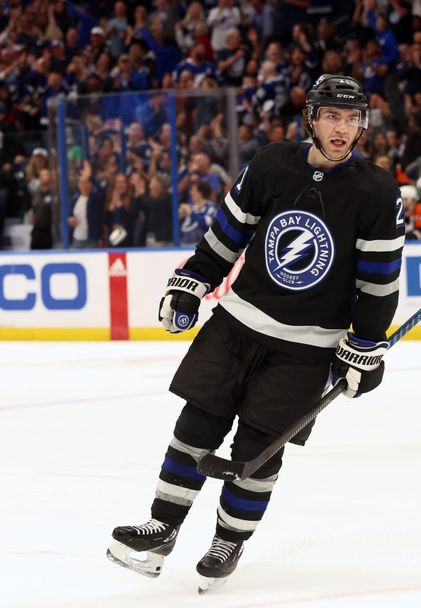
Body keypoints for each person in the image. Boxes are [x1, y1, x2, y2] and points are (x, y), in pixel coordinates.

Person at [107, 75, 404, 591]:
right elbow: (227, 233)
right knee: (196, 425)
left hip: (307, 348)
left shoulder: (376, 190)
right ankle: (162, 528)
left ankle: (228, 541)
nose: (343, 128)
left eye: (352, 119)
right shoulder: (272, 164)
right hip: (237, 323)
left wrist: (366, 345)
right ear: (312, 118)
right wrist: (191, 284)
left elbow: (379, 281)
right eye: (333, 116)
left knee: (259, 449)